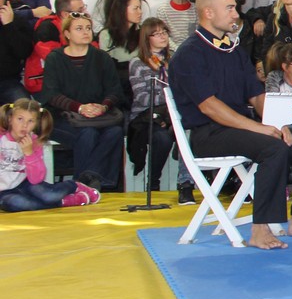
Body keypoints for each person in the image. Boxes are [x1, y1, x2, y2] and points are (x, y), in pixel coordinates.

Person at [168, 0, 292, 249]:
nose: (236, 14)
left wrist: (279, 124)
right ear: (208, 12)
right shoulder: (189, 53)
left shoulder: (233, 50)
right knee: (273, 147)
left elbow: (256, 96)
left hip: (241, 130)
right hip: (209, 134)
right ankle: (260, 228)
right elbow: (209, 107)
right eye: (229, 8)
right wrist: (259, 128)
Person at [38, 12, 125, 191]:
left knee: (115, 132)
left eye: (88, 28)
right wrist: (79, 107)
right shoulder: (55, 58)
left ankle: (90, 180)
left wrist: (103, 106)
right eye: (79, 28)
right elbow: (51, 94)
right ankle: (85, 185)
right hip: (62, 117)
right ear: (67, 34)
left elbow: (114, 90)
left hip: (99, 116)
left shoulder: (102, 57)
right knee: (88, 133)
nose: (86, 32)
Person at [126, 18, 197, 203]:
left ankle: (185, 184)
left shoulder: (174, 60)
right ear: (146, 38)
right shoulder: (138, 63)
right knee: (162, 138)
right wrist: (170, 96)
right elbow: (143, 97)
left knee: (189, 132)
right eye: (156, 34)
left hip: (174, 114)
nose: (162, 36)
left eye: (164, 32)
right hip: (147, 116)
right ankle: (153, 181)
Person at [0, 99, 99, 211]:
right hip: (4, 192)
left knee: (49, 195)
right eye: (20, 119)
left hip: (26, 184)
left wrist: (29, 154)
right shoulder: (2, 138)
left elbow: (36, 179)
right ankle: (64, 202)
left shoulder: (34, 142)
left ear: (36, 123)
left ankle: (75, 185)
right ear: (10, 119)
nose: (24, 125)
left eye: (30, 121)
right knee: (17, 204)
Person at [0, 0, 34, 105]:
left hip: (8, 81)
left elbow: (24, 52)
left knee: (26, 108)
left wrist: (8, 25)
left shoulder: (17, 21)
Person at [101, 0, 144, 66]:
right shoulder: (106, 34)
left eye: (140, 8)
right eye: (135, 8)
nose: (140, 12)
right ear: (122, 10)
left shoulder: (142, 31)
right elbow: (105, 63)